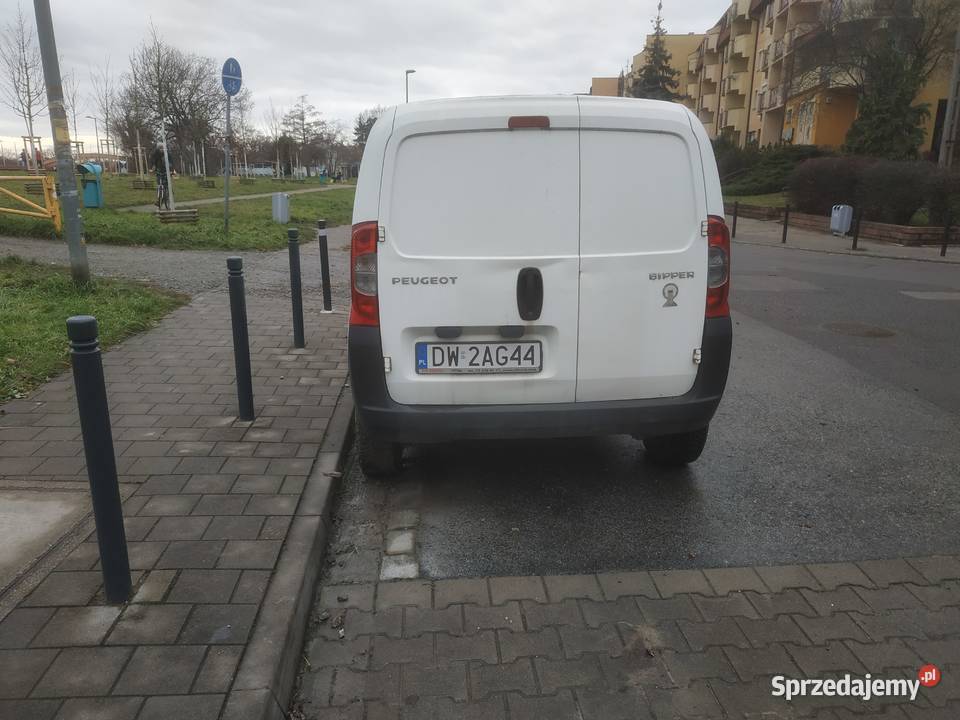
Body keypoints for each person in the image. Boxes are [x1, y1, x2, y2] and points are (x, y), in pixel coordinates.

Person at [150, 144, 169, 209]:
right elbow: (153, 161)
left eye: (162, 148)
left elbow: (170, 161)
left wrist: (171, 168)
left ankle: (167, 195)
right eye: (160, 149)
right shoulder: (156, 154)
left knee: (166, 183)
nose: (161, 150)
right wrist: (153, 167)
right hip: (159, 171)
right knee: (159, 185)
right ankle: (158, 200)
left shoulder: (167, 154)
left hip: (166, 171)